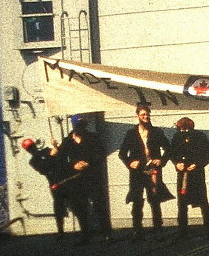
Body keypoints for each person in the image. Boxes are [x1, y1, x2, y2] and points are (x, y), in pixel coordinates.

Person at [118, 103, 173, 239]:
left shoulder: (157, 132)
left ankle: (158, 229)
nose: (146, 116)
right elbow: (122, 153)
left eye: (147, 114)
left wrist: (161, 160)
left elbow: (169, 149)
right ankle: (137, 229)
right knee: (137, 200)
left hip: (153, 170)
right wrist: (130, 162)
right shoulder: (131, 133)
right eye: (143, 114)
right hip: (137, 172)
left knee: (155, 199)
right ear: (137, 116)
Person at [58, 115, 113, 243]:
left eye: (83, 125)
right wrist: (73, 165)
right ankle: (85, 234)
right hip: (75, 179)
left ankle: (107, 233)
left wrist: (88, 163)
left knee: (100, 205)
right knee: (80, 207)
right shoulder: (66, 142)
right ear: (74, 125)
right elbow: (60, 161)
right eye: (79, 125)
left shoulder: (93, 138)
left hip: (92, 176)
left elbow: (101, 154)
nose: (82, 127)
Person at [21, 137, 79, 238]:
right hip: (55, 184)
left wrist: (56, 146)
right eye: (30, 148)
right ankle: (61, 232)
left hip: (66, 180)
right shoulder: (33, 161)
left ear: (35, 145)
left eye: (32, 146)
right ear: (28, 150)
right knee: (58, 209)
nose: (32, 148)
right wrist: (51, 156)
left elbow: (61, 158)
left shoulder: (46, 150)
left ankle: (84, 230)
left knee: (76, 205)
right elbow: (43, 169)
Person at [170, 116, 209, 238]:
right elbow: (172, 154)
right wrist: (176, 163)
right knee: (182, 204)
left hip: (197, 175)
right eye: (182, 129)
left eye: (186, 129)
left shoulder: (200, 136)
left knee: (203, 202)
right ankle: (182, 230)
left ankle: (208, 229)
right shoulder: (176, 137)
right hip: (182, 174)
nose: (184, 132)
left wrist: (197, 164)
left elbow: (207, 156)